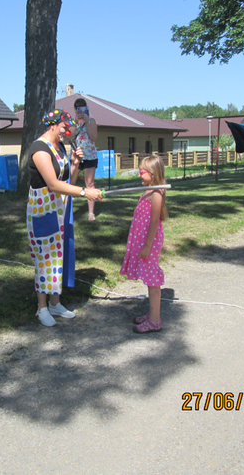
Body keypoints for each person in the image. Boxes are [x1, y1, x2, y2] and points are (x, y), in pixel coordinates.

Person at [28, 108, 104, 327]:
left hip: (59, 208)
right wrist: (85, 192)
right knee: (44, 258)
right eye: (64, 127)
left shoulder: (59, 147)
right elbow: (53, 184)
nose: (67, 131)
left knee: (57, 256)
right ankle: (41, 308)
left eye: (69, 128)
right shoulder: (39, 148)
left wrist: (75, 163)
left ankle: (55, 303)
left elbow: (67, 181)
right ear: (53, 125)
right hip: (42, 209)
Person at [119, 155, 167, 334]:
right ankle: (152, 313)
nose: (139, 174)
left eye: (142, 172)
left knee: (152, 278)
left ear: (152, 173)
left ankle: (155, 321)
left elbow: (154, 222)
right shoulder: (148, 190)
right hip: (144, 240)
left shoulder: (156, 193)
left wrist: (147, 245)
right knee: (148, 277)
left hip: (150, 242)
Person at [69, 97, 99, 221]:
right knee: (70, 183)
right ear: (75, 110)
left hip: (90, 155)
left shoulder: (91, 121)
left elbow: (94, 137)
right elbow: (70, 136)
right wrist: (76, 123)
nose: (80, 111)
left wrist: (87, 122)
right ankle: (67, 211)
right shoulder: (72, 122)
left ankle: (91, 213)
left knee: (90, 183)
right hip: (76, 154)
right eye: (78, 108)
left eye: (82, 108)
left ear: (86, 108)